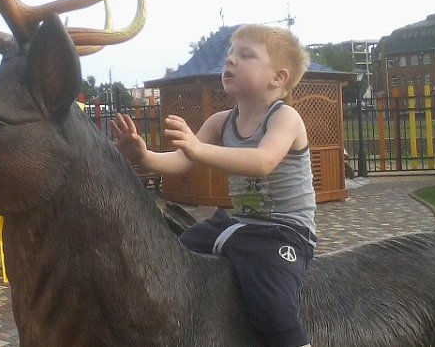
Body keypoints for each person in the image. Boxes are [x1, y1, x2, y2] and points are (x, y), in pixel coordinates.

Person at [110, 24, 316, 347]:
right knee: (175, 255)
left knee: (274, 306)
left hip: (286, 231)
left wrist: (198, 149)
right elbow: (181, 161)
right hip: (241, 224)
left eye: (246, 55)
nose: (230, 59)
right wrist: (144, 156)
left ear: (278, 78)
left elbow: (263, 161)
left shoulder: (285, 118)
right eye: (230, 53)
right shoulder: (221, 121)